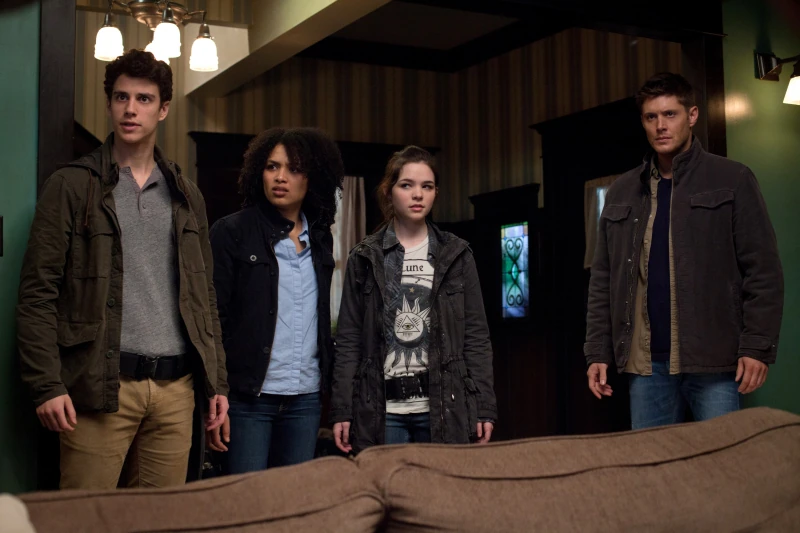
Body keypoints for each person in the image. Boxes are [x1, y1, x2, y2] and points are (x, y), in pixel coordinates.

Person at [16, 49, 228, 489]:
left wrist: (217, 384)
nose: (131, 109)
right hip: (100, 386)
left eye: (144, 99)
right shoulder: (72, 186)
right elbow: (38, 295)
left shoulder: (186, 195)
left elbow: (204, 297)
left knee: (159, 518)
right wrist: (47, 385)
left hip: (175, 390)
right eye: (121, 97)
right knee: (87, 517)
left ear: (163, 109)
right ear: (110, 103)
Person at [584, 72, 784, 429]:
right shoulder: (622, 191)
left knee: (722, 456)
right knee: (655, 461)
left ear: (692, 115)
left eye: (670, 114)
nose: (660, 126)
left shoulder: (732, 179)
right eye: (651, 117)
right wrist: (597, 351)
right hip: (646, 364)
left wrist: (757, 347)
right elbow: (603, 280)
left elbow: (763, 271)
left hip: (714, 359)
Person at [330, 146, 496, 454]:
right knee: (386, 484)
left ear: (435, 193)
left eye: (427, 186)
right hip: (382, 410)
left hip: (444, 407)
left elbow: (476, 337)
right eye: (407, 185)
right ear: (389, 191)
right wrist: (342, 409)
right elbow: (349, 339)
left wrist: (484, 406)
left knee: (441, 486)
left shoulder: (456, 255)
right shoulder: (365, 257)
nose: (418, 194)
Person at [206, 127, 343, 472]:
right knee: (247, 499)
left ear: (313, 178)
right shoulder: (231, 232)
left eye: (294, 169)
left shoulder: (321, 239)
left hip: (306, 397)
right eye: (272, 166)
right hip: (247, 398)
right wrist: (214, 393)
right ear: (259, 172)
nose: (281, 177)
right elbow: (213, 320)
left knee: (292, 499)